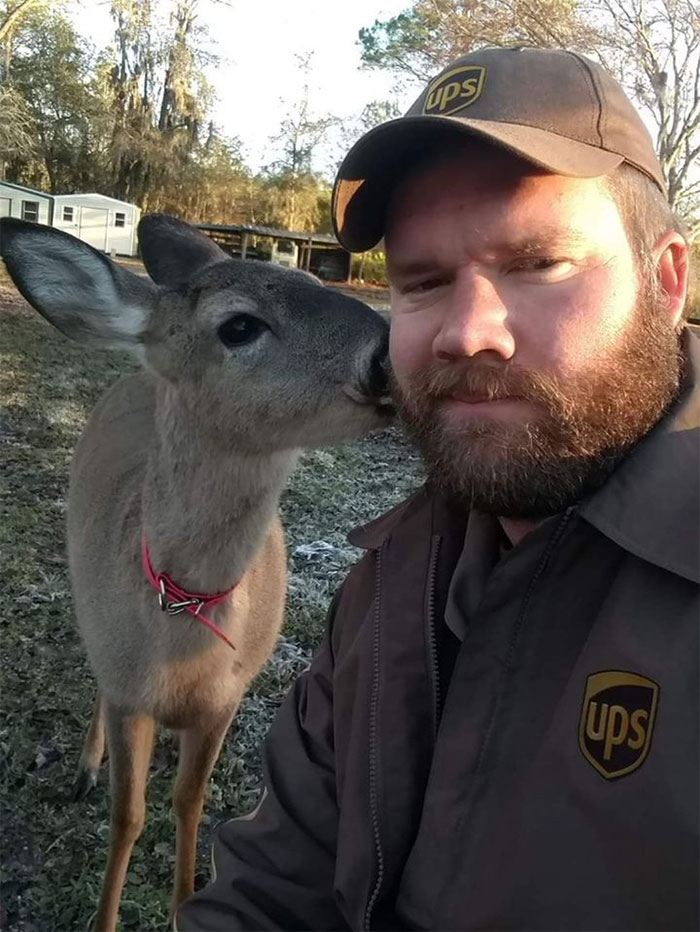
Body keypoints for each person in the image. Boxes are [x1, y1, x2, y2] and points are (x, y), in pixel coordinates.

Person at [177, 46, 698, 931]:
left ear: (667, 282)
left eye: (538, 264)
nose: (467, 333)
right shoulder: (391, 576)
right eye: (422, 282)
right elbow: (274, 888)